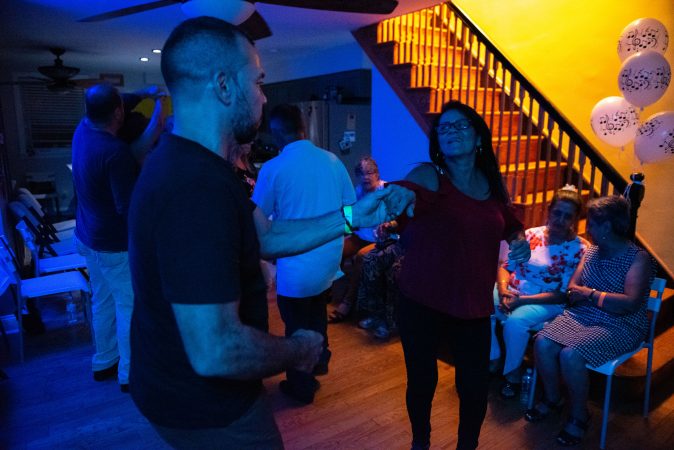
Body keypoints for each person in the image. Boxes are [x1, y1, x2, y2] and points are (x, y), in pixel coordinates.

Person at [128, 17, 410, 449]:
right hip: (204, 406)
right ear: (224, 86)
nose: (263, 97)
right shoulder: (193, 186)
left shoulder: (201, 167)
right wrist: (298, 348)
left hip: (183, 390)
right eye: (258, 82)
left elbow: (268, 239)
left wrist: (354, 214)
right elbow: (217, 349)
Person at [391, 100, 530, 450]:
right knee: (422, 381)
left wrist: (518, 241)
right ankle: (419, 443)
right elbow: (401, 197)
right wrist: (390, 203)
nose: (449, 131)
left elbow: (510, 224)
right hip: (421, 301)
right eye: (444, 128)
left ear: (478, 137)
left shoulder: (492, 186)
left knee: (474, 387)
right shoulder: (428, 175)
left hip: (472, 306)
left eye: (459, 125)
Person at [526, 195, 654, 446]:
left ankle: (579, 415)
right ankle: (553, 398)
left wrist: (591, 294)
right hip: (583, 314)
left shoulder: (638, 258)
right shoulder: (592, 251)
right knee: (542, 342)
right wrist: (593, 296)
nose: (588, 228)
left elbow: (630, 303)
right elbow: (574, 287)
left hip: (622, 323)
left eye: (593, 223)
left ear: (606, 226)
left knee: (571, 355)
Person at [252, 103, 356, 403]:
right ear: (303, 127)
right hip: (327, 257)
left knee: (296, 323)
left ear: (276, 133)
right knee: (315, 312)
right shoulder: (332, 161)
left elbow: (260, 216)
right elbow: (350, 208)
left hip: (297, 263)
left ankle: (302, 385)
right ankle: (318, 358)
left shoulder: (274, 168)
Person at [72, 83, 162, 392]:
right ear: (118, 113)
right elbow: (128, 209)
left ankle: (103, 362)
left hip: (87, 237)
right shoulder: (115, 153)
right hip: (112, 244)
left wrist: (146, 92)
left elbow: (114, 103)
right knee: (129, 305)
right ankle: (129, 373)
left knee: (102, 301)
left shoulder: (82, 129)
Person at [491, 186, 589, 399]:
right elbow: (506, 266)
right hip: (513, 291)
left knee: (516, 321)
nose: (560, 220)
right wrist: (504, 288)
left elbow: (564, 293)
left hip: (548, 300)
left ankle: (513, 374)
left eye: (567, 216)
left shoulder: (580, 249)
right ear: (549, 210)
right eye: (557, 213)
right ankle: (493, 356)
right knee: (482, 301)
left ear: (575, 219)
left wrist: (520, 301)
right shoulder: (530, 234)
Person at [329, 156, 387, 323]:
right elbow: (349, 221)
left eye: (370, 173)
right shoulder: (358, 191)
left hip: (381, 238)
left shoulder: (385, 190)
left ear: (377, 174)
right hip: (361, 236)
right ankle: (331, 293)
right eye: (362, 173)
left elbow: (397, 216)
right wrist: (343, 231)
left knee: (362, 256)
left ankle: (348, 302)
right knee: (335, 249)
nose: (366, 177)